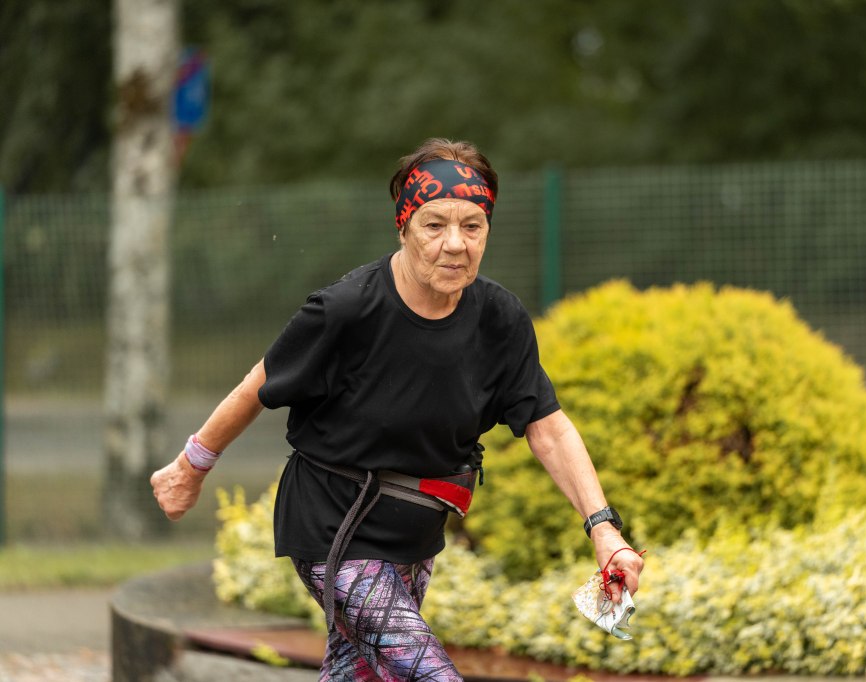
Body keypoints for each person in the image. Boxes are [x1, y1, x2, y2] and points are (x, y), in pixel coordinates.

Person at [150, 137, 645, 682]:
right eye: (434, 225)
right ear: (404, 227)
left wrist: (603, 529)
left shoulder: (499, 319)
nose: (455, 244)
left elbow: (547, 427)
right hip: (334, 525)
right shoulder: (347, 309)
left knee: (359, 674)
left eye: (472, 226)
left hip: (415, 535)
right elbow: (256, 387)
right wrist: (190, 467)